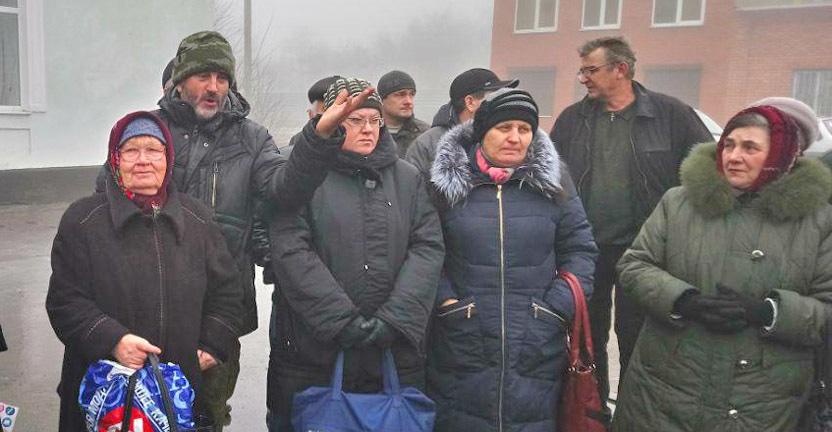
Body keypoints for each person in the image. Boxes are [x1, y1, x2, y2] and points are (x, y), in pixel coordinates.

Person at [94, 31, 347, 429]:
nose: (213, 87)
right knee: (136, 417)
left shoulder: (252, 138)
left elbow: (284, 190)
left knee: (206, 417)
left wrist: (318, 139)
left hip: (215, 317)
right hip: (142, 311)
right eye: (203, 76)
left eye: (222, 78)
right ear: (180, 81)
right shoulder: (149, 132)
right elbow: (106, 205)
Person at [612, 98, 832, 432]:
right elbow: (634, 265)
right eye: (728, 145)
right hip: (667, 386)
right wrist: (683, 300)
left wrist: (768, 312)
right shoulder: (679, 202)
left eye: (749, 147)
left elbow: (826, 308)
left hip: (761, 397)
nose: (733, 156)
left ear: (783, 154)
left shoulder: (819, 222)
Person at [266, 77, 445, 432]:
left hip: (392, 349)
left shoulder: (407, 178)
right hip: (315, 350)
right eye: (355, 120)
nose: (368, 129)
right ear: (333, 122)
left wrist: (394, 319)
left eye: (375, 121)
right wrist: (341, 321)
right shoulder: (303, 178)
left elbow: (427, 247)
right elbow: (291, 249)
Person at [47, 112, 243, 432]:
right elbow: (64, 301)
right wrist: (114, 340)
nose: (143, 160)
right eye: (131, 150)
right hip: (103, 395)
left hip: (177, 392)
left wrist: (212, 344)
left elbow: (228, 293)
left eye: (153, 150)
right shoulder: (82, 220)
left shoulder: (198, 219)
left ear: (168, 159)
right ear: (115, 159)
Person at [549, 36, 713, 406]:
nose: (583, 78)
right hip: (586, 251)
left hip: (645, 253)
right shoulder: (572, 120)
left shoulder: (671, 114)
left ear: (620, 69)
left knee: (636, 338)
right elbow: (549, 176)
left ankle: (631, 413)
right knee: (586, 339)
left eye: (590, 70)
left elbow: (706, 171)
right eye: (581, 71)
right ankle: (593, 414)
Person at [427, 88, 598, 431]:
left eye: (524, 129)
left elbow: (580, 249)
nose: (515, 138)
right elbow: (426, 251)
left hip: (537, 337)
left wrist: (556, 308)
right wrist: (448, 304)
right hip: (462, 336)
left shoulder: (555, 184)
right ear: (482, 131)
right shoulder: (447, 186)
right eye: (504, 128)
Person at [406, 68, 518, 177]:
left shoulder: (513, 138)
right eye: (494, 97)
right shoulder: (427, 145)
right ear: (470, 102)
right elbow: (412, 187)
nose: (501, 103)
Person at [377, 70, 429, 157]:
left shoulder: (425, 134)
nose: (408, 101)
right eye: (400, 95)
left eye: (411, 94)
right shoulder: (368, 132)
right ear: (382, 99)